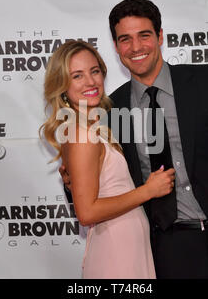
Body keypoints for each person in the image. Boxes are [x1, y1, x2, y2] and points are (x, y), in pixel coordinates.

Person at [60, 0, 208, 279]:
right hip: (166, 250)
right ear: (115, 47)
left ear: (160, 36)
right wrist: (70, 182)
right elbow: (100, 185)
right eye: (125, 39)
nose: (135, 47)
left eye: (144, 35)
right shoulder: (112, 110)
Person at [39, 40, 175, 278]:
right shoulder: (82, 134)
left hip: (125, 246)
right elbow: (87, 213)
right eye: (77, 76)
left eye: (94, 71)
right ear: (62, 86)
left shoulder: (94, 126)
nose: (91, 82)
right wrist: (148, 190)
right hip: (116, 252)